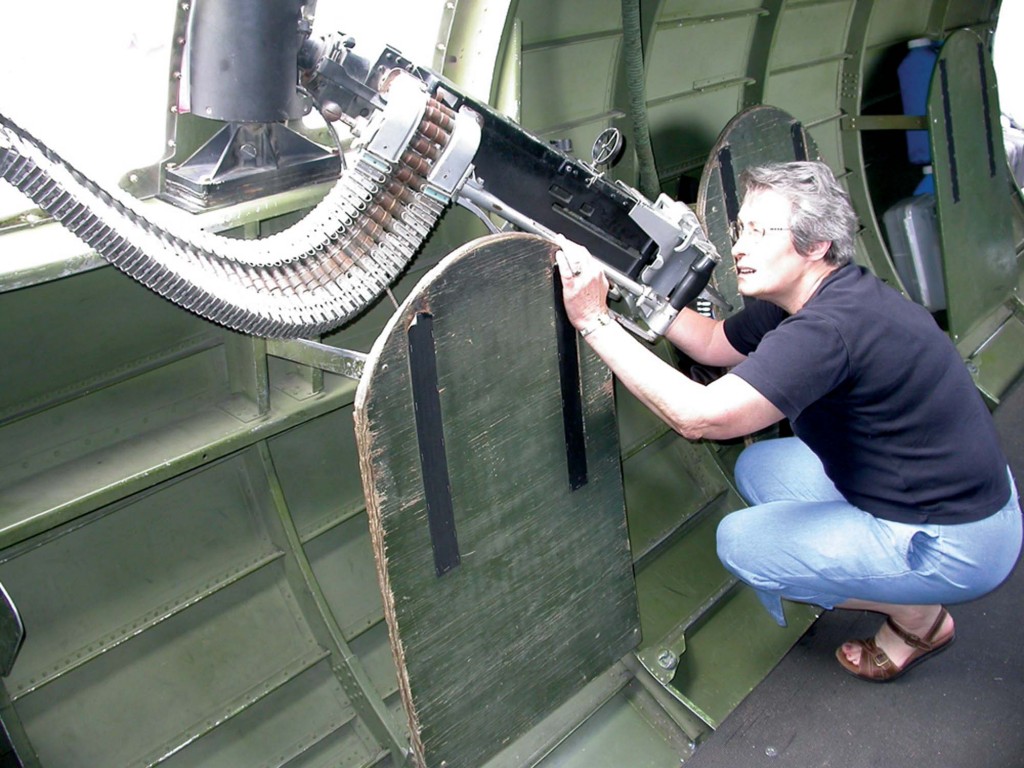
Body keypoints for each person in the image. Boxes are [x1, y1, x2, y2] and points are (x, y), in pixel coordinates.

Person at [554, 160, 1023, 683]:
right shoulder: (806, 296)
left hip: (962, 540)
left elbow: (699, 417)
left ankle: (920, 618)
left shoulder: (828, 329)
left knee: (743, 545)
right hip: (942, 486)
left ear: (816, 244)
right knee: (760, 468)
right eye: (740, 229)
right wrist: (629, 287)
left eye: (758, 231)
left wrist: (593, 319)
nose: (738, 246)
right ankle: (893, 574)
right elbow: (712, 342)